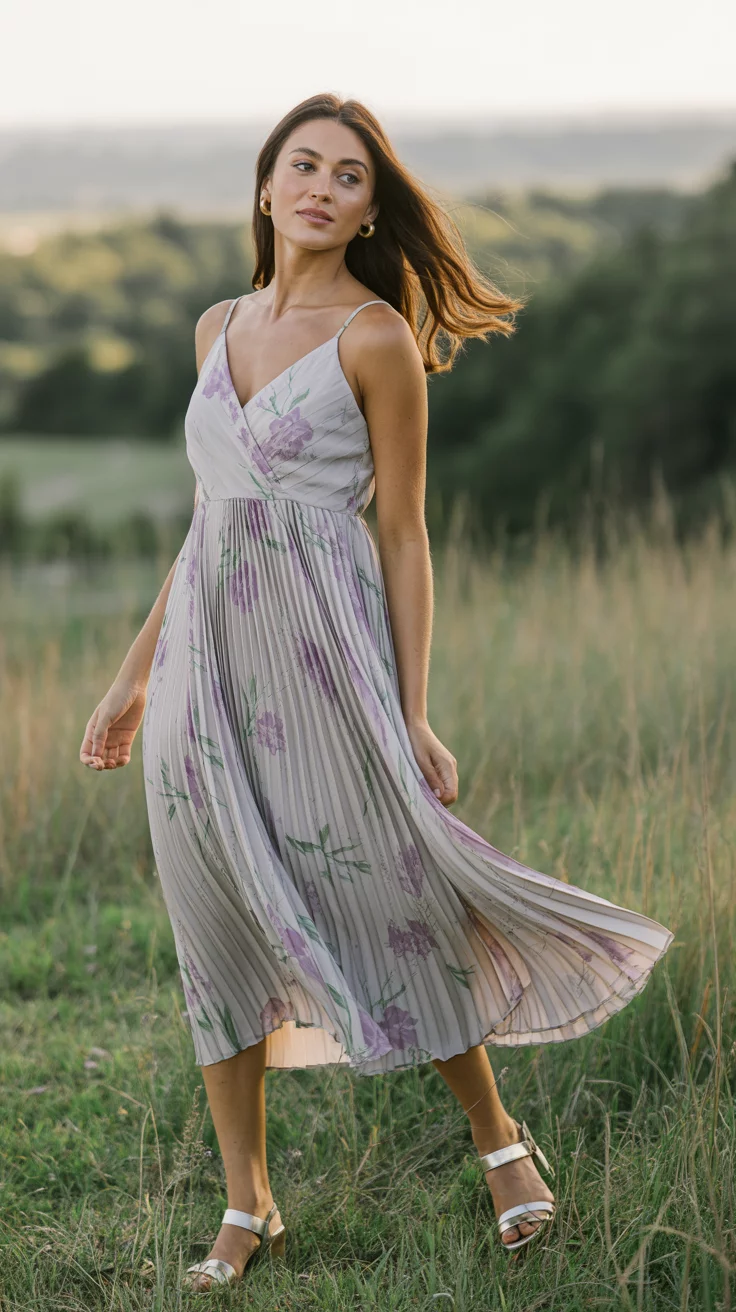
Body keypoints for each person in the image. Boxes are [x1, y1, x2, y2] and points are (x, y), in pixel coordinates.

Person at [79, 92, 673, 1292]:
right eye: (302, 166)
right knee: (212, 922)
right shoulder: (214, 326)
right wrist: (133, 674)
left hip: (321, 667)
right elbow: (210, 523)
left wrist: (408, 708)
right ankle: (250, 1201)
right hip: (202, 670)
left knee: (394, 892)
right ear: (264, 187)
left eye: (348, 177)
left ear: (366, 210)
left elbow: (402, 536)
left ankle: (499, 1139)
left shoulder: (373, 340)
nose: (321, 187)